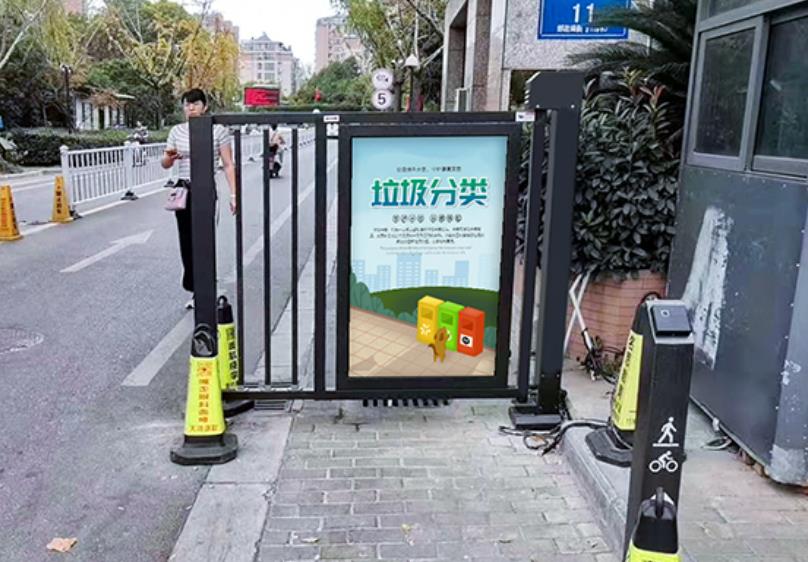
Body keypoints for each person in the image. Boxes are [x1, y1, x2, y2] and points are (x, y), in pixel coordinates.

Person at [161, 89, 237, 309]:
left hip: (205, 189)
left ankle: (207, 288)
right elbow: (165, 163)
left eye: (195, 104)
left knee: (204, 241)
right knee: (187, 241)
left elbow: (228, 164)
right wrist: (170, 158)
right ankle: (195, 289)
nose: (191, 108)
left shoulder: (218, 131)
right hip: (184, 189)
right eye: (187, 104)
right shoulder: (176, 131)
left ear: (205, 106)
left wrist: (233, 194)